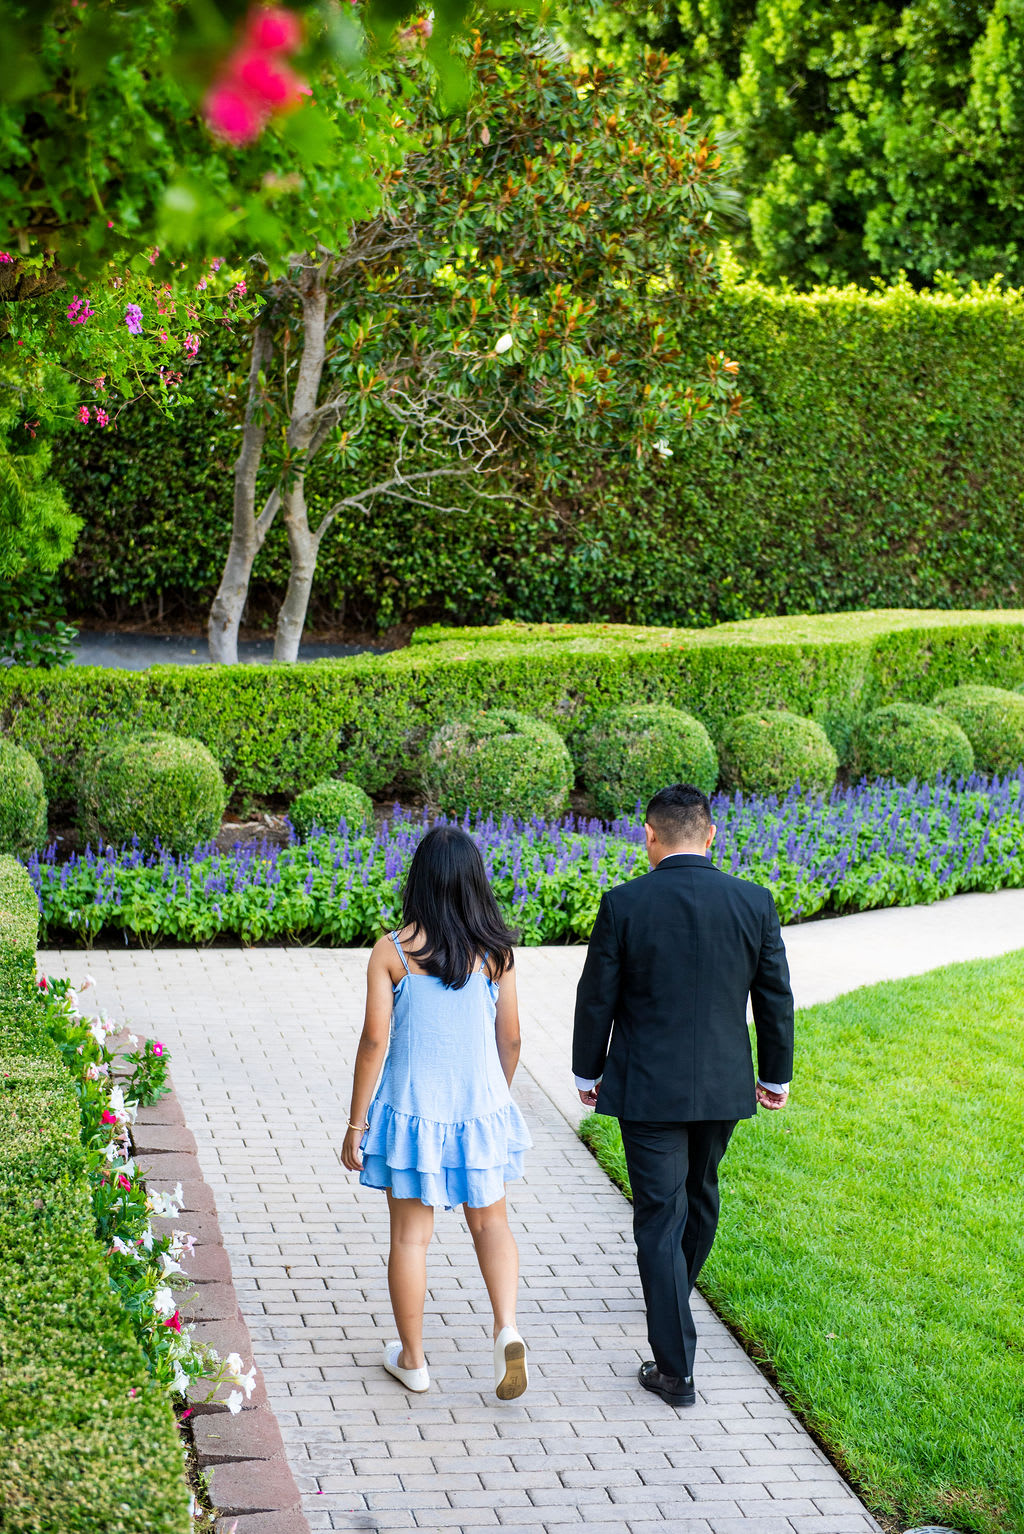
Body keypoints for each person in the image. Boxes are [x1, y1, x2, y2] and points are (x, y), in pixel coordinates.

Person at [572, 782, 794, 1407]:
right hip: (723, 1085)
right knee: (700, 1196)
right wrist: (775, 1073)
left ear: (650, 837)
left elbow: (597, 997)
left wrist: (587, 1073)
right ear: (711, 835)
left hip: (647, 1088)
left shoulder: (624, 904)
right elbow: (774, 997)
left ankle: (676, 1371)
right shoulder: (753, 902)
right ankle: (673, 1294)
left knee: (659, 1218)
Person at [341, 824, 532, 1400]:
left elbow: (375, 1040)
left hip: (411, 1115)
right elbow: (514, 1039)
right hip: (478, 1112)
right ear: (476, 882)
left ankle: (414, 1361)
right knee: (491, 1224)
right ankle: (506, 1328)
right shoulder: (496, 954)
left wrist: (355, 1124)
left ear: (418, 882)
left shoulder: (393, 952)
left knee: (410, 1240)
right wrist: (493, 1098)